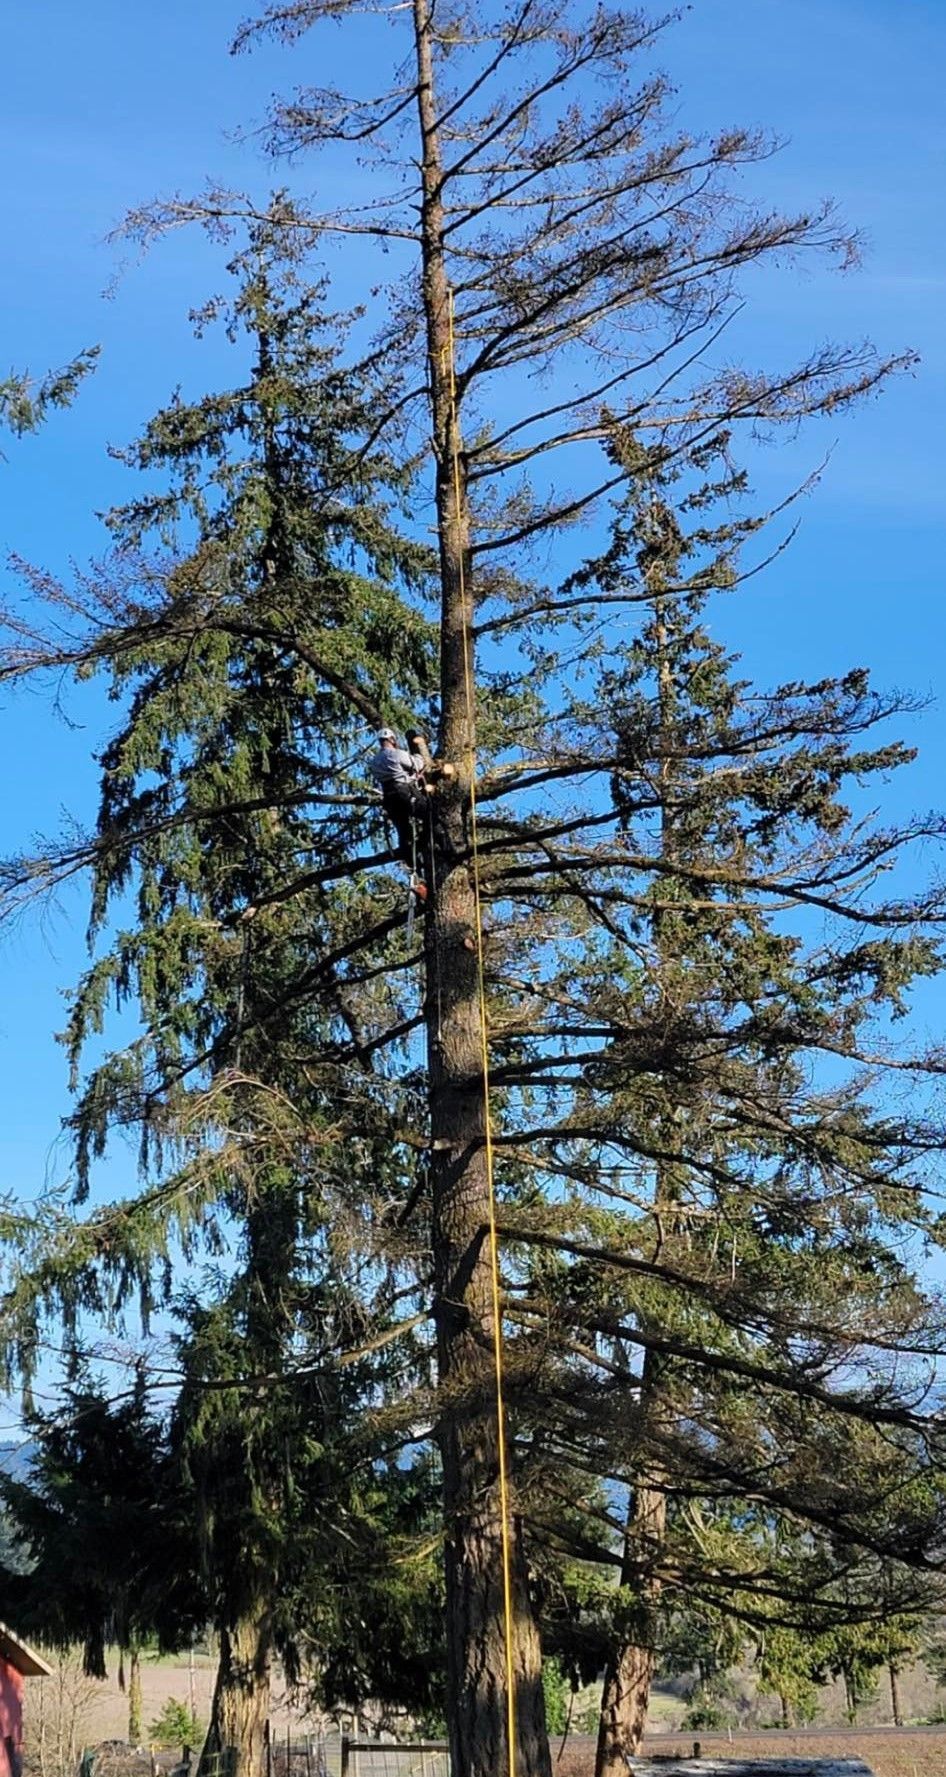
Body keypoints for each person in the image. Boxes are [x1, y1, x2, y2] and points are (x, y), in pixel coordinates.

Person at [369, 727, 430, 892]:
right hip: (404, 792)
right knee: (430, 816)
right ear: (392, 739)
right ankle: (442, 848)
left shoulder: (374, 762)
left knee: (404, 833)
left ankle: (414, 871)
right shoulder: (395, 753)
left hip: (389, 798)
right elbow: (417, 764)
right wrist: (418, 756)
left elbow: (392, 775)